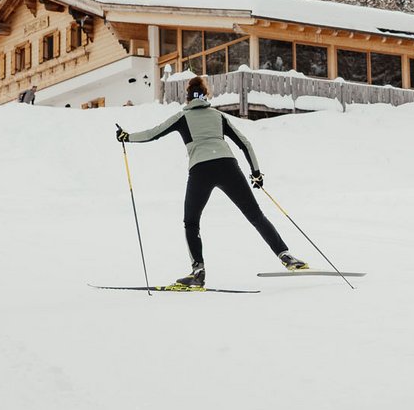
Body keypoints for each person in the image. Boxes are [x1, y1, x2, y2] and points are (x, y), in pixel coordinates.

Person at [117, 75, 311, 287]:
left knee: (191, 222)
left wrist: (127, 137)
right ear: (205, 96)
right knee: (256, 215)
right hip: (228, 166)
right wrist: (256, 172)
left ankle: (198, 271)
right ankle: (286, 256)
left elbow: (152, 134)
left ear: (188, 98)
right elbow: (244, 143)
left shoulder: (182, 117)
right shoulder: (218, 116)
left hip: (201, 170)